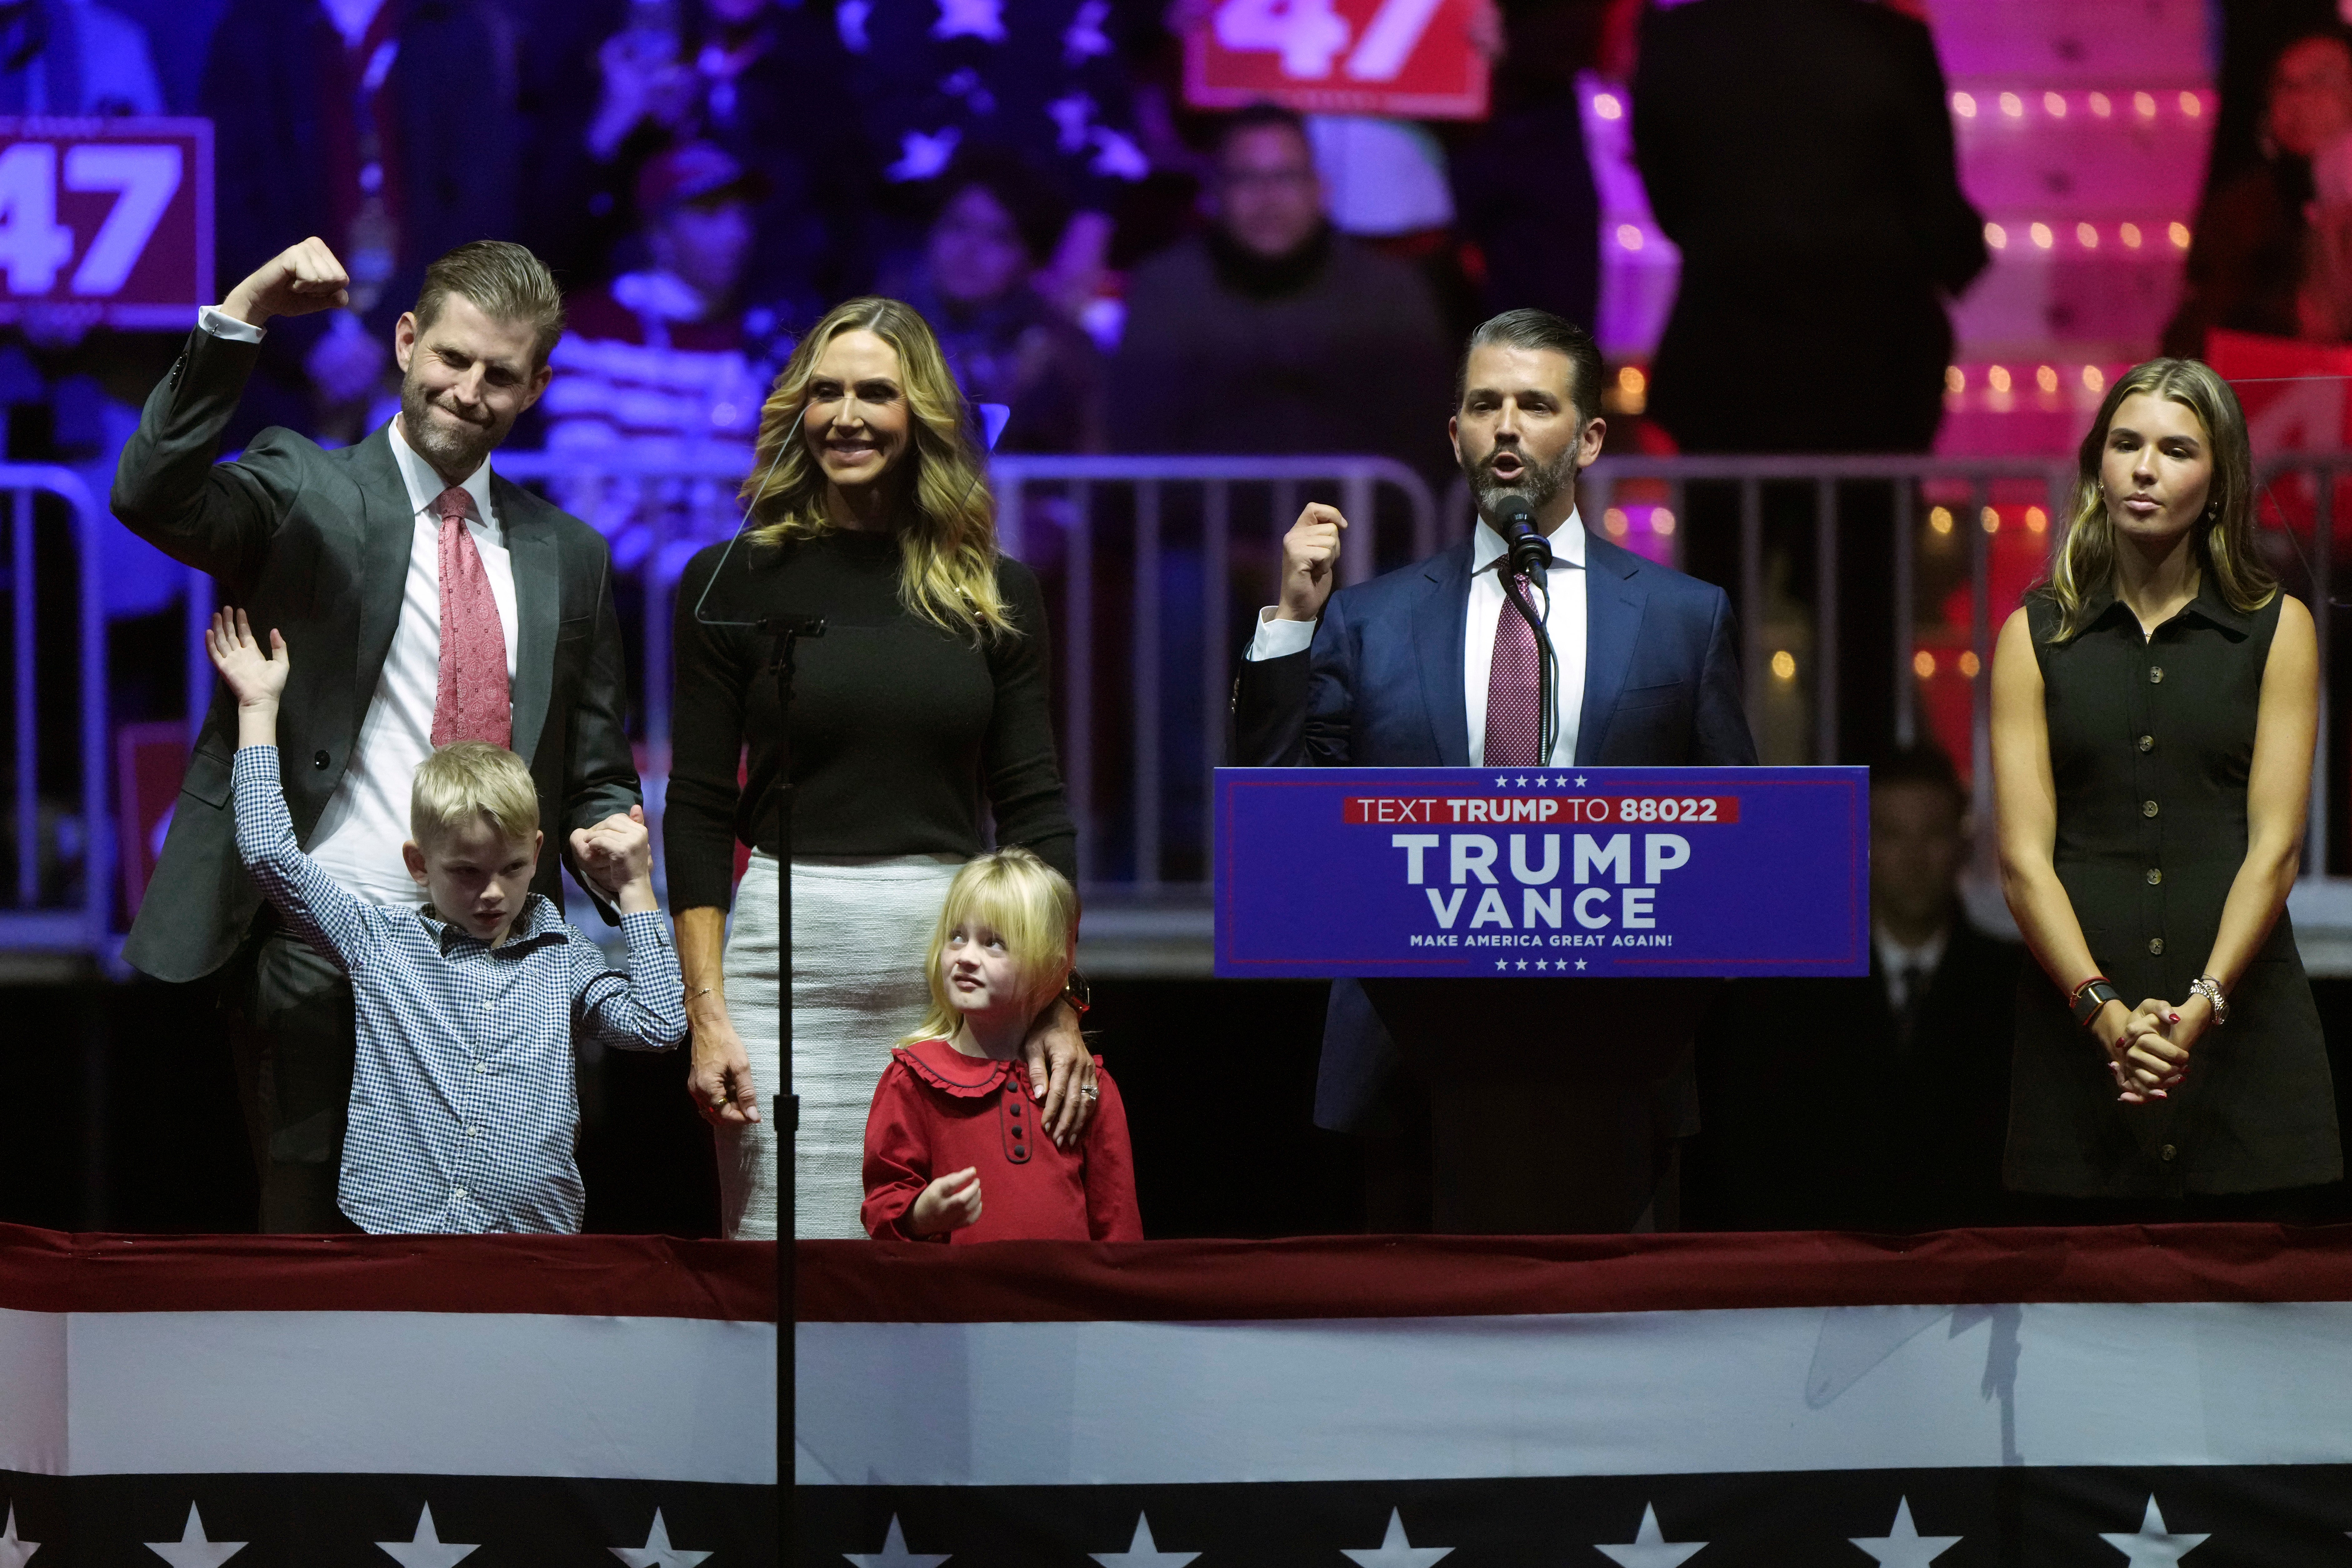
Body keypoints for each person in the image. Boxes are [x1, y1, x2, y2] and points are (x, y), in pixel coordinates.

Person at [112, 236, 645, 1233]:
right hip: (325, 934)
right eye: (451, 358)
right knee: (306, 1243)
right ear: (406, 342)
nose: (468, 390)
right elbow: (150, 492)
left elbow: (594, 760)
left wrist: (611, 834)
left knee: (499, 1253)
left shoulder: (568, 554)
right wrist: (248, 313)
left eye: (500, 374)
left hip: (497, 965)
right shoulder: (302, 484)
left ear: (535, 387)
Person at [1231, 307, 1756, 1234]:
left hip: (1615, 1067)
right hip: (1409, 1073)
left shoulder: (1684, 617)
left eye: (1534, 404)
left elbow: (1735, 845)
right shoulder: (1369, 619)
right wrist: (1291, 622)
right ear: (1454, 432)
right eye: (1483, 405)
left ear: (1590, 436)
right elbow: (1283, 822)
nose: (1505, 426)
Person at [666, 295, 1093, 1242]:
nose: (846, 414)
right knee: (785, 1283)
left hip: (953, 976)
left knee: (946, 1287)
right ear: (796, 413)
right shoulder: (724, 582)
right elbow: (696, 811)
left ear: (922, 418)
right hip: (782, 974)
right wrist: (706, 1015)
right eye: (825, 392)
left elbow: (1034, 808)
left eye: (875, 393)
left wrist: (1054, 999)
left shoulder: (997, 592)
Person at [205, 608, 686, 1234]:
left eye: (512, 868)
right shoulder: (377, 939)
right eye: (465, 872)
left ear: (538, 853)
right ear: (418, 864)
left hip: (528, 1243)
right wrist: (258, 709)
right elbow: (271, 853)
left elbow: (658, 1025)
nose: (492, 892)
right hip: (396, 1231)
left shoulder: (561, 953)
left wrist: (635, 887)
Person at [1991, 357, 2341, 1212]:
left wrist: (2201, 1005)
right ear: (2096, 465)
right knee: (2078, 1335)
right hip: (2080, 1058)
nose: (2143, 468)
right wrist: (2103, 1013)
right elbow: (2021, 863)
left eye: (2175, 450)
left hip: (2243, 1050)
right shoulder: (2032, 633)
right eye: (2124, 444)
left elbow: (2273, 848)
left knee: (2264, 1336)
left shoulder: (2273, 630)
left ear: (2218, 482)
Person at [1689, 744, 2023, 1231]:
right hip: (1818, 1276)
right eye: (1890, 834)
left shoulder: (2016, 991)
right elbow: (1750, 1156)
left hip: (1973, 1278)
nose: (1912, 857)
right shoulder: (1784, 996)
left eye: (1931, 834)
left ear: (1961, 844)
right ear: (1860, 846)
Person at [201, 0, 527, 445]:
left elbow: (480, 206)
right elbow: (226, 204)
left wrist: (387, 329)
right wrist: (308, 337)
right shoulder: (255, 31)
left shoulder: (449, 27)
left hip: (430, 360)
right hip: (281, 369)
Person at [1108, 102, 1452, 478]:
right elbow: (1139, 444)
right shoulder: (1166, 290)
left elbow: (1423, 444)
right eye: (1246, 178)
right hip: (1200, 532)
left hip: (1362, 531)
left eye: (1286, 177)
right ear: (1215, 194)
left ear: (1319, 190)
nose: (1268, 199)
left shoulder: (1390, 293)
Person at [861, 846, 1140, 1241]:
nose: (967, 957)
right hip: (959, 1299)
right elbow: (884, 1202)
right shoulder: (911, 1078)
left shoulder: (1087, 1086)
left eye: (994, 943)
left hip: (1065, 1302)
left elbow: (1118, 1226)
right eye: (957, 937)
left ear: (1050, 965)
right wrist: (922, 1214)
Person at [901, 151, 1103, 453]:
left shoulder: (1066, 356)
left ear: (1032, 259)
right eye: (958, 226)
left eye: (999, 238)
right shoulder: (875, 334)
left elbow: (1092, 468)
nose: (969, 252)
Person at [2167, 28, 2352, 354]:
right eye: (2285, 85)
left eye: (2322, 80)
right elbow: (2199, 327)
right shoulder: (2242, 208)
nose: (2299, 99)